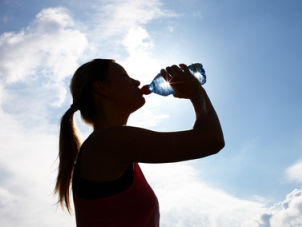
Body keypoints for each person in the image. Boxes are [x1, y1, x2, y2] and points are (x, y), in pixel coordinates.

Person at [54, 59, 224, 227]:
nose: (136, 82)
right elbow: (211, 140)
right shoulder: (108, 143)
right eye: (124, 76)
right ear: (101, 88)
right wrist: (195, 91)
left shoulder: (112, 145)